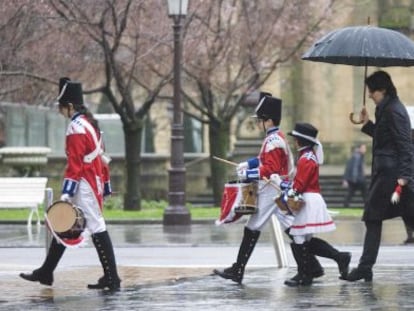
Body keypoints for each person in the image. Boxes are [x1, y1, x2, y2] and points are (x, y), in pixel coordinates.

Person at [213, 93, 341, 284]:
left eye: (260, 121)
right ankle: (314, 266)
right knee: (293, 228)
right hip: (275, 189)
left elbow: (269, 168)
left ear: (269, 121)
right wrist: (248, 164)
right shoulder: (274, 138)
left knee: (253, 227)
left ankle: (238, 270)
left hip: (271, 190)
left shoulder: (273, 140)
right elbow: (263, 160)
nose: (258, 124)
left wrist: (248, 174)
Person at [20, 77, 121, 290]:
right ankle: (46, 272)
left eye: (61, 106)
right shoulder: (88, 124)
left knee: (96, 227)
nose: (60, 110)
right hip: (89, 181)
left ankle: (112, 278)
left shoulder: (76, 127)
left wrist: (67, 192)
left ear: (70, 106)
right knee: (65, 224)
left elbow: (75, 164)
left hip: (84, 183)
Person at [344, 70, 414, 282]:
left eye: (372, 91)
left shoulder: (394, 111)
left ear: (382, 90)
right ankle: (365, 267)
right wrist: (366, 124)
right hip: (388, 173)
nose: (370, 95)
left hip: (392, 177)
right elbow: (385, 139)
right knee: (378, 218)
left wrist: (404, 177)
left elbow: (405, 146)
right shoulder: (386, 109)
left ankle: (365, 267)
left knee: (372, 217)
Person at [272, 122, 351, 286]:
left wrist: (281, 185)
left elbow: (299, 185)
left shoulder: (306, 159)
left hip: (309, 199)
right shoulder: (307, 156)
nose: (294, 142)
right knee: (304, 239)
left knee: (298, 237)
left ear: (300, 141)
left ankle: (305, 274)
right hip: (309, 198)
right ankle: (339, 258)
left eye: (295, 139)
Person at [342, 143, 367, 207]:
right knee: (365, 193)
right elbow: (354, 168)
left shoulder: (357, 155)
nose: (365, 150)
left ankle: (345, 205)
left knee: (351, 193)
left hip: (356, 179)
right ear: (360, 149)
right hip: (358, 179)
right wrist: (355, 178)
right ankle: (368, 205)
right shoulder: (357, 156)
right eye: (363, 148)